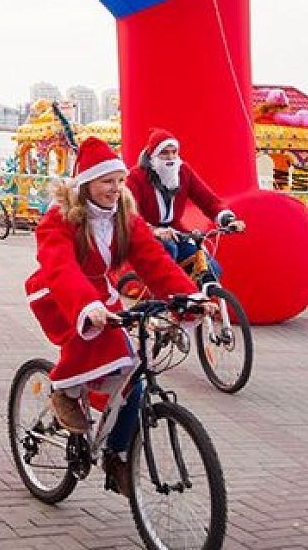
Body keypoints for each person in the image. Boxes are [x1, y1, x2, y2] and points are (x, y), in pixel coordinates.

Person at [24, 137, 204, 495]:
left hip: (101, 297)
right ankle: (63, 390)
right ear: (87, 183)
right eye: (107, 181)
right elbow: (59, 266)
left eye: (120, 180)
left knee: (134, 376)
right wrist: (86, 307)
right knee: (107, 345)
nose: (116, 188)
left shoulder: (125, 217)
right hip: (59, 294)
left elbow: (154, 261)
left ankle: (117, 454)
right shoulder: (60, 218)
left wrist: (188, 297)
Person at [125, 128, 243, 265]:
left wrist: (228, 219)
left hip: (177, 233)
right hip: (146, 234)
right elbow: (128, 213)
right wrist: (153, 230)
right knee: (169, 250)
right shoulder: (136, 177)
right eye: (164, 153)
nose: (170, 158)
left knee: (210, 266)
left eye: (174, 152)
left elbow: (208, 200)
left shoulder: (183, 172)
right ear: (153, 156)